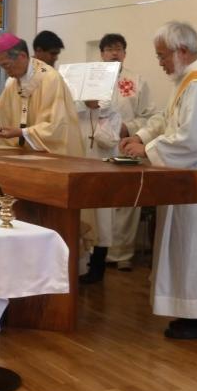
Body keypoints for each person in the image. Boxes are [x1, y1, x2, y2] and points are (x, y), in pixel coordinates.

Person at [121, 21, 197, 339]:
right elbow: (167, 117)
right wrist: (141, 135)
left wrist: (146, 150)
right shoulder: (186, 79)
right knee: (185, 248)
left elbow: (192, 139)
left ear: (183, 51)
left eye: (162, 55)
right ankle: (191, 313)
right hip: (186, 176)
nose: (159, 61)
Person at [85, 33, 159, 274]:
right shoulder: (90, 80)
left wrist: (130, 127)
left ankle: (123, 253)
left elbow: (148, 115)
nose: (114, 53)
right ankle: (98, 250)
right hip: (96, 148)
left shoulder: (136, 81)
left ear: (125, 53)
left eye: (118, 49)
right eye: (109, 49)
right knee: (99, 199)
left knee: (125, 200)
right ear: (102, 53)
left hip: (126, 143)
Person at [0, 33, 83, 157]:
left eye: (7, 65)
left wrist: (22, 132)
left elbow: (57, 125)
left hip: (54, 158)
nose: (7, 72)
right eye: (3, 67)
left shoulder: (50, 79)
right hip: (27, 155)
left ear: (22, 56)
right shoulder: (14, 83)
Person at [76, 90, 122, 284]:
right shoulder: (76, 114)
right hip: (80, 172)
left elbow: (109, 140)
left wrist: (101, 114)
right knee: (83, 220)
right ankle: (80, 268)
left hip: (103, 172)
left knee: (103, 222)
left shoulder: (112, 114)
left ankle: (98, 268)